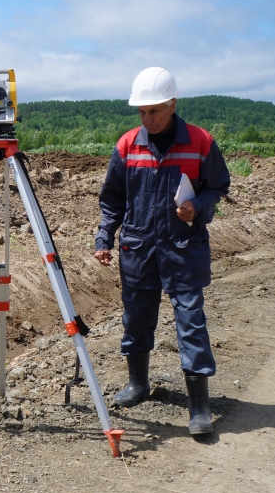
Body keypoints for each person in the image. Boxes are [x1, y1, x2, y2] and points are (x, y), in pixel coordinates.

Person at [94, 67, 230, 436]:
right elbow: (112, 200)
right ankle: (138, 383)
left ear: (172, 104)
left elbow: (217, 187)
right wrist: (104, 237)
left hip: (184, 248)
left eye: (154, 110)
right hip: (139, 248)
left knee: (191, 323)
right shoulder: (127, 145)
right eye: (141, 112)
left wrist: (198, 207)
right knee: (136, 319)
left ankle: (199, 406)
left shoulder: (200, 142)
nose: (147, 119)